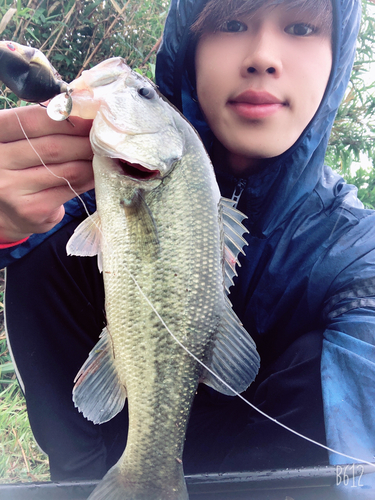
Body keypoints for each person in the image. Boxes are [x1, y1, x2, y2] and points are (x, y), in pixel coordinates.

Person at [1, 0, 374, 489]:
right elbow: (27, 249)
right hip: (97, 472)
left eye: (301, 27)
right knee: (44, 246)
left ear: (337, 59)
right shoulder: (81, 198)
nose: (263, 56)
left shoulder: (357, 250)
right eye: (233, 24)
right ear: (190, 50)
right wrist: (9, 228)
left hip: (263, 488)